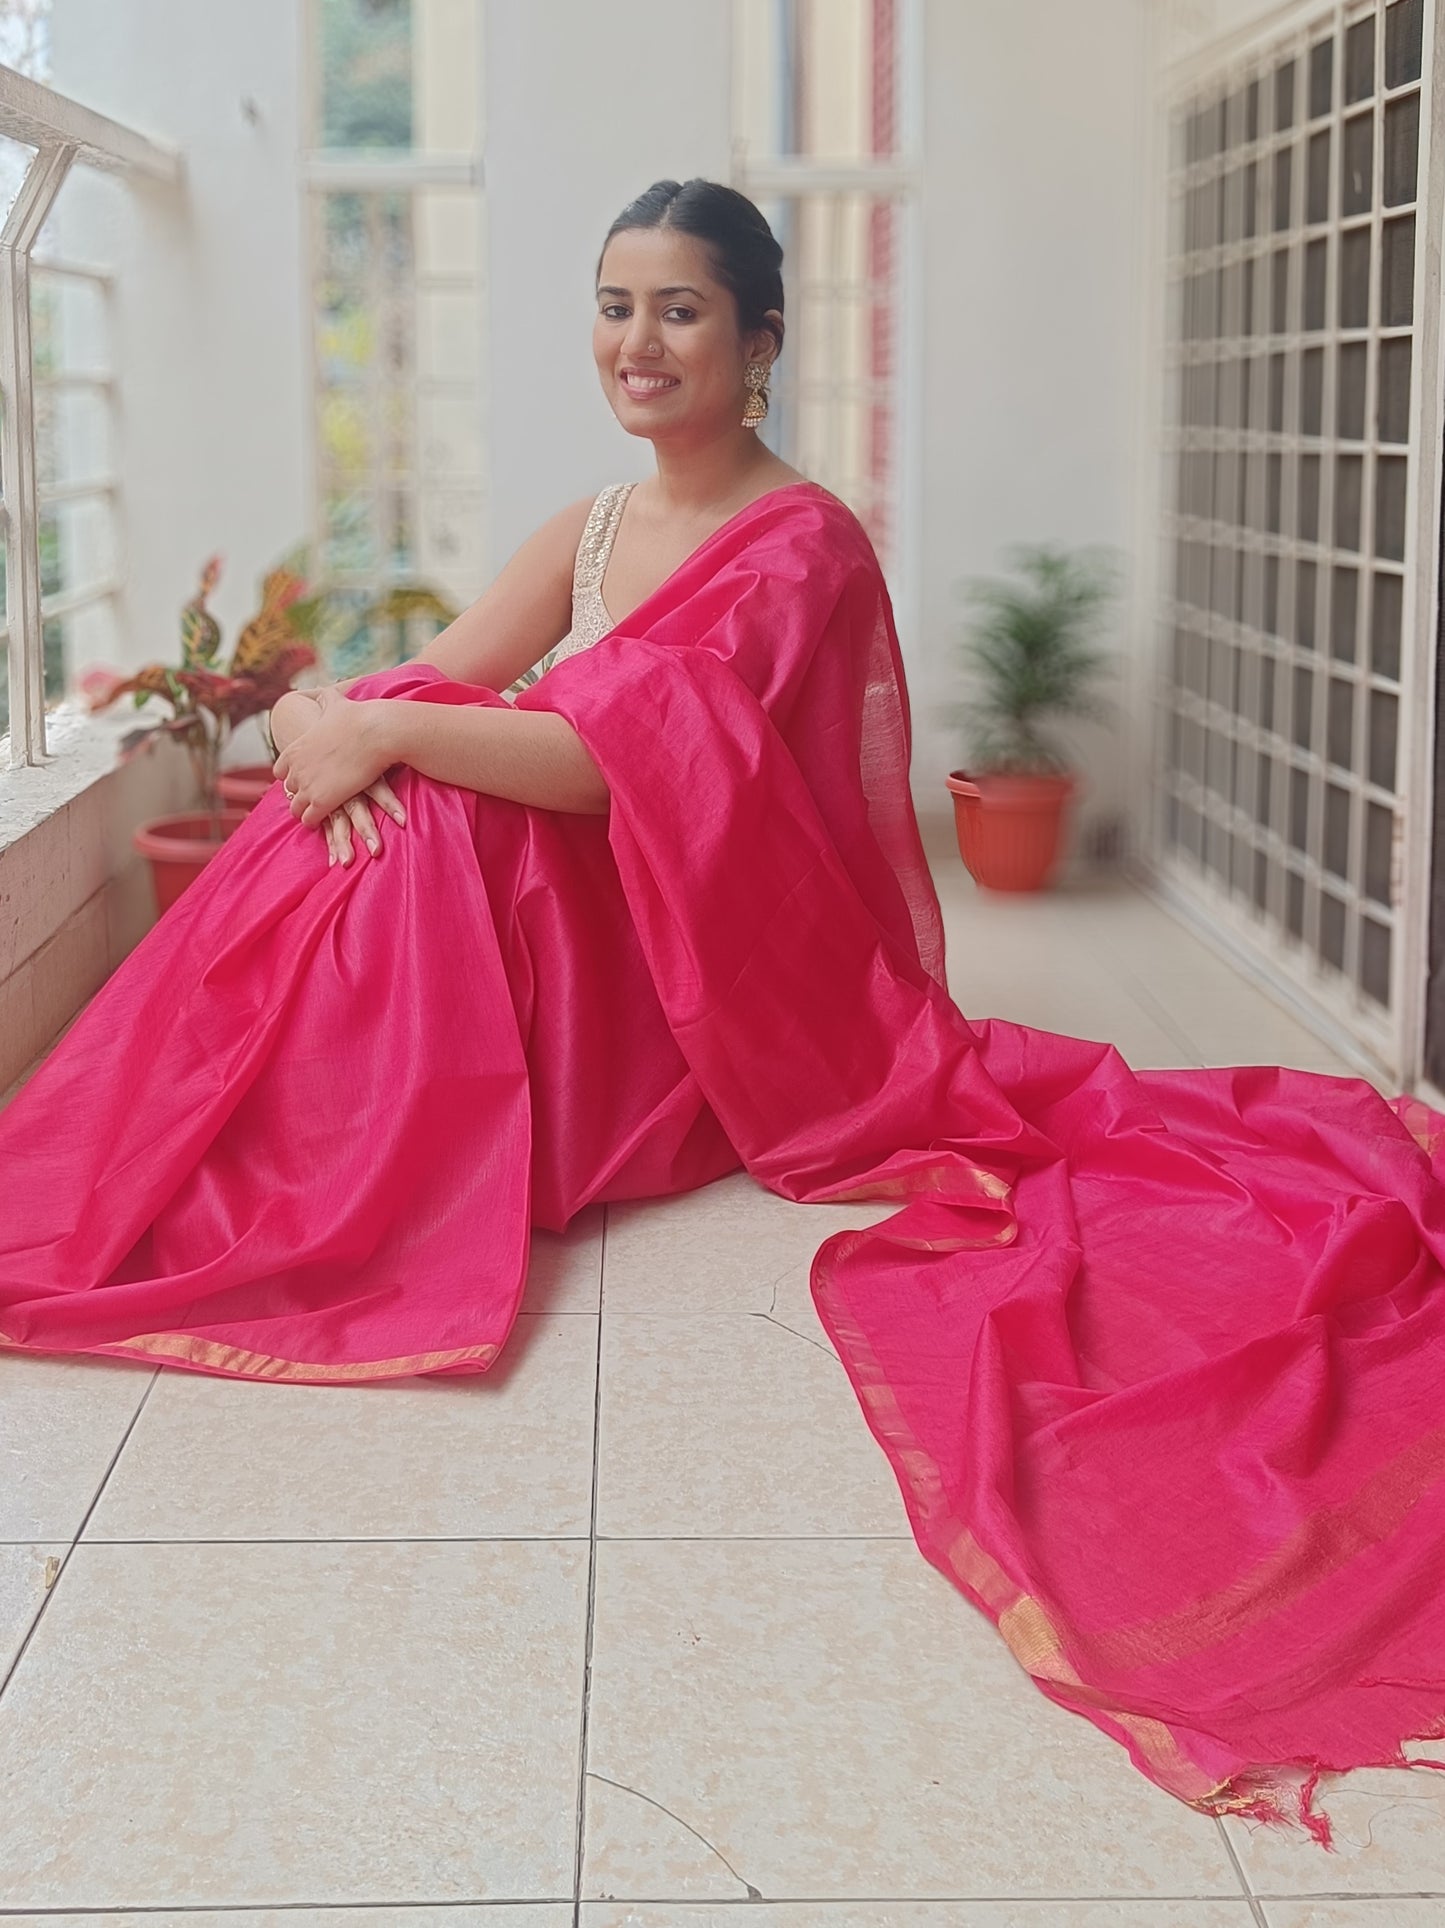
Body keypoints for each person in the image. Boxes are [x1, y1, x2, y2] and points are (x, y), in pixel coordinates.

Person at [4, 178, 1445, 1839]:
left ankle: (313, 1155)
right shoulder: (597, 528)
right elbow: (461, 675)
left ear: (758, 340)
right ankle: (233, 1139)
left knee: (422, 777)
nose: (639, 341)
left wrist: (377, 737)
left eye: (680, 309)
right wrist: (355, 719)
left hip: (713, 973)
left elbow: (627, 781)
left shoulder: (800, 543)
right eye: (616, 305)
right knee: (403, 752)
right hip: (590, 908)